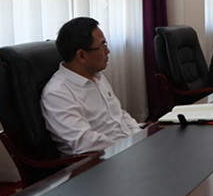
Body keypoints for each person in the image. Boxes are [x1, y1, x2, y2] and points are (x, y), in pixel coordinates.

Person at [40, 17, 141, 155]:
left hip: (128, 150)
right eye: (103, 46)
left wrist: (140, 137)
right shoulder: (57, 93)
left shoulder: (97, 76)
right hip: (103, 160)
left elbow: (119, 114)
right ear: (82, 55)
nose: (108, 51)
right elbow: (84, 142)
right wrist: (128, 147)